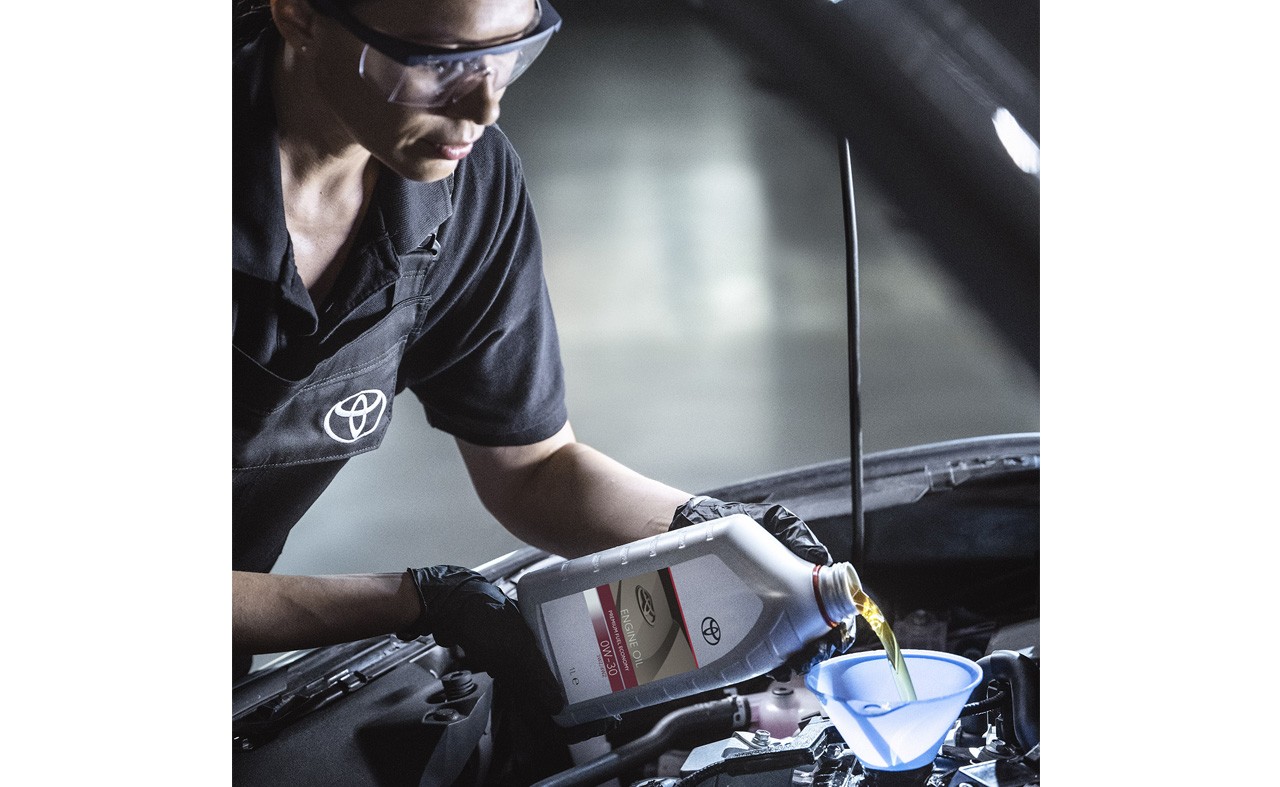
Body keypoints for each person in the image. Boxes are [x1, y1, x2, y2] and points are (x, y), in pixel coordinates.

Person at [232, 0, 836, 711]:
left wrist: (713, 529)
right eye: (437, 62)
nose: (484, 106)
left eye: (508, 54)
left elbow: (534, 469)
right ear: (298, 14)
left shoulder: (465, 186)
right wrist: (407, 602)